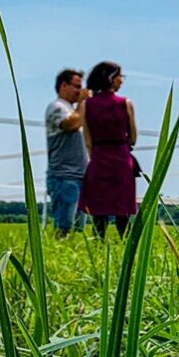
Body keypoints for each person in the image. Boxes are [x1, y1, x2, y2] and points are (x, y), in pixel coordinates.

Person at [78, 61, 137, 239]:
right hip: (121, 156)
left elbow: (87, 139)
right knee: (122, 204)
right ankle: (124, 240)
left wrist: (94, 154)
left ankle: (99, 240)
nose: (121, 80)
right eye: (120, 76)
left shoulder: (86, 105)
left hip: (98, 157)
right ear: (111, 78)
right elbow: (133, 136)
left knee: (99, 205)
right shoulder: (125, 103)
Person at [45, 68, 89, 238]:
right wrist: (83, 102)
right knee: (64, 227)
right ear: (63, 85)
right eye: (77, 86)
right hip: (64, 177)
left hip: (79, 177)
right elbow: (71, 124)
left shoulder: (74, 110)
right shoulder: (56, 107)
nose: (80, 91)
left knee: (78, 231)